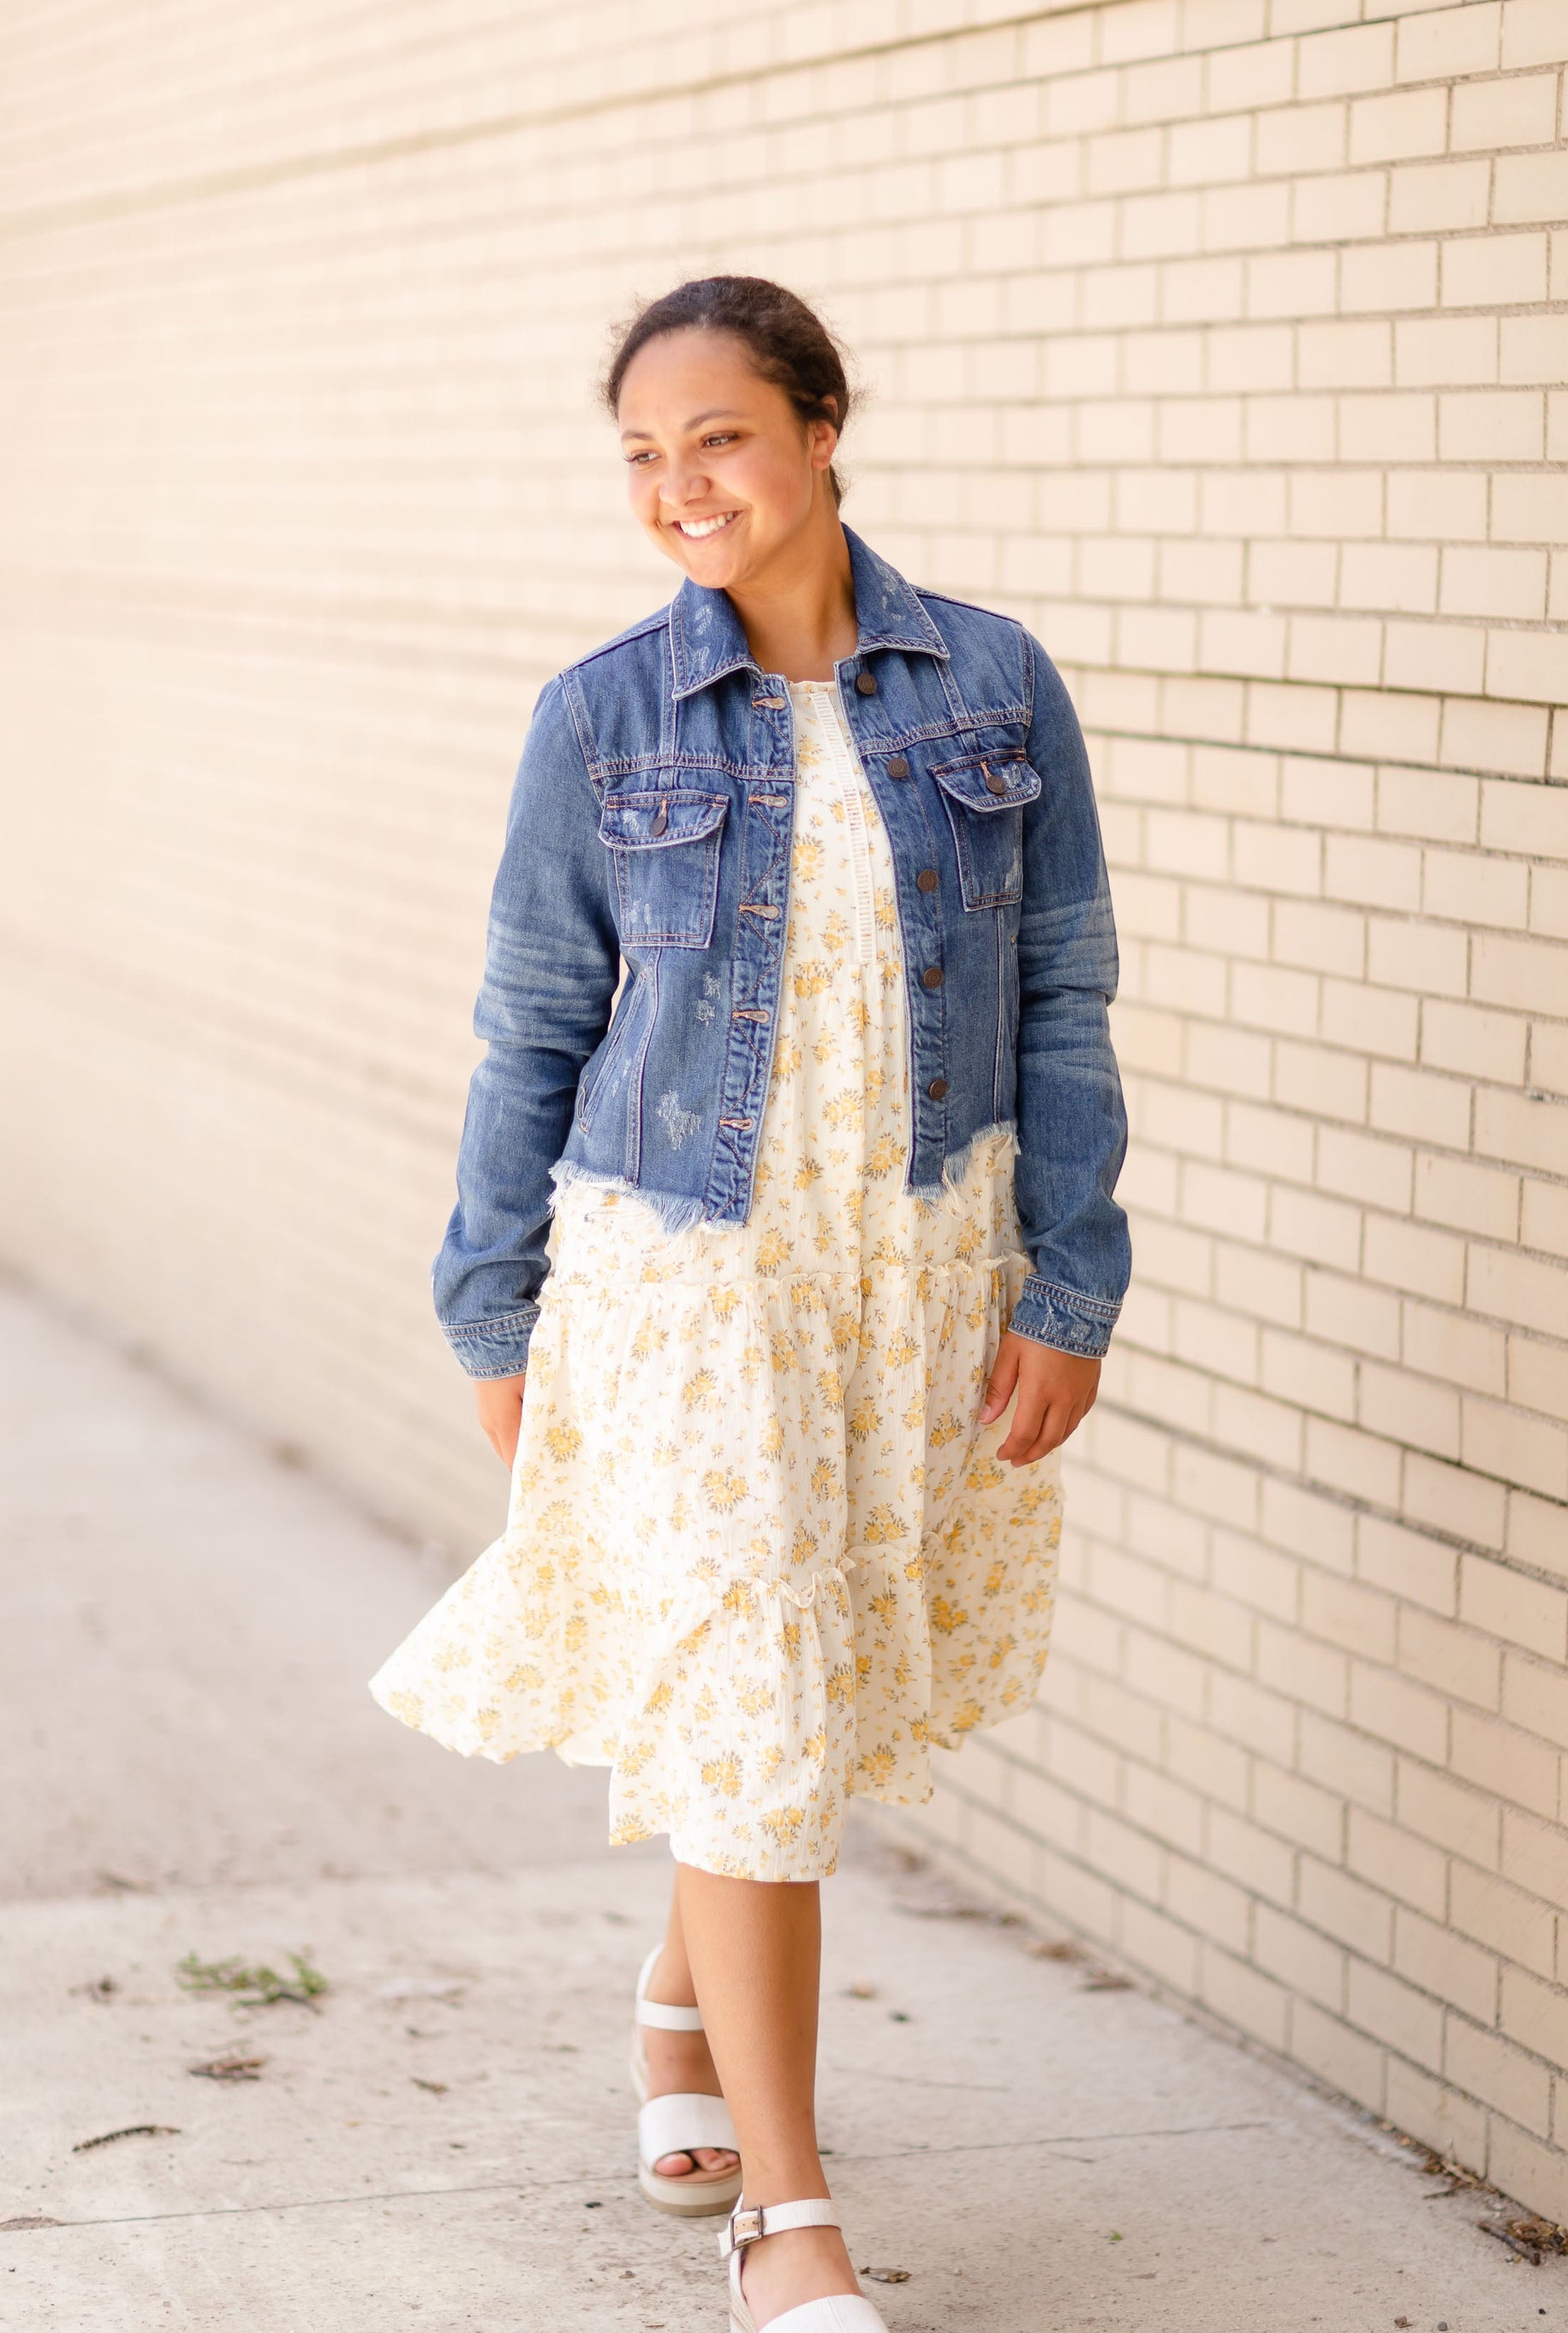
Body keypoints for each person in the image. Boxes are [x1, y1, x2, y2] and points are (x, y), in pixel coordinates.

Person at [371, 274, 1130, 2333]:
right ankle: (789, 2226)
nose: (677, 485)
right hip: (680, 1283)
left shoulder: (992, 684)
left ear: (816, 433)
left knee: (797, 1691)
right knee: (756, 1712)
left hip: (905, 1266)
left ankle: (678, 1998)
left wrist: (1073, 1276)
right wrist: (492, 1315)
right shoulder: (600, 716)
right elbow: (530, 1031)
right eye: (640, 452)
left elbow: (1060, 990)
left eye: (714, 436)